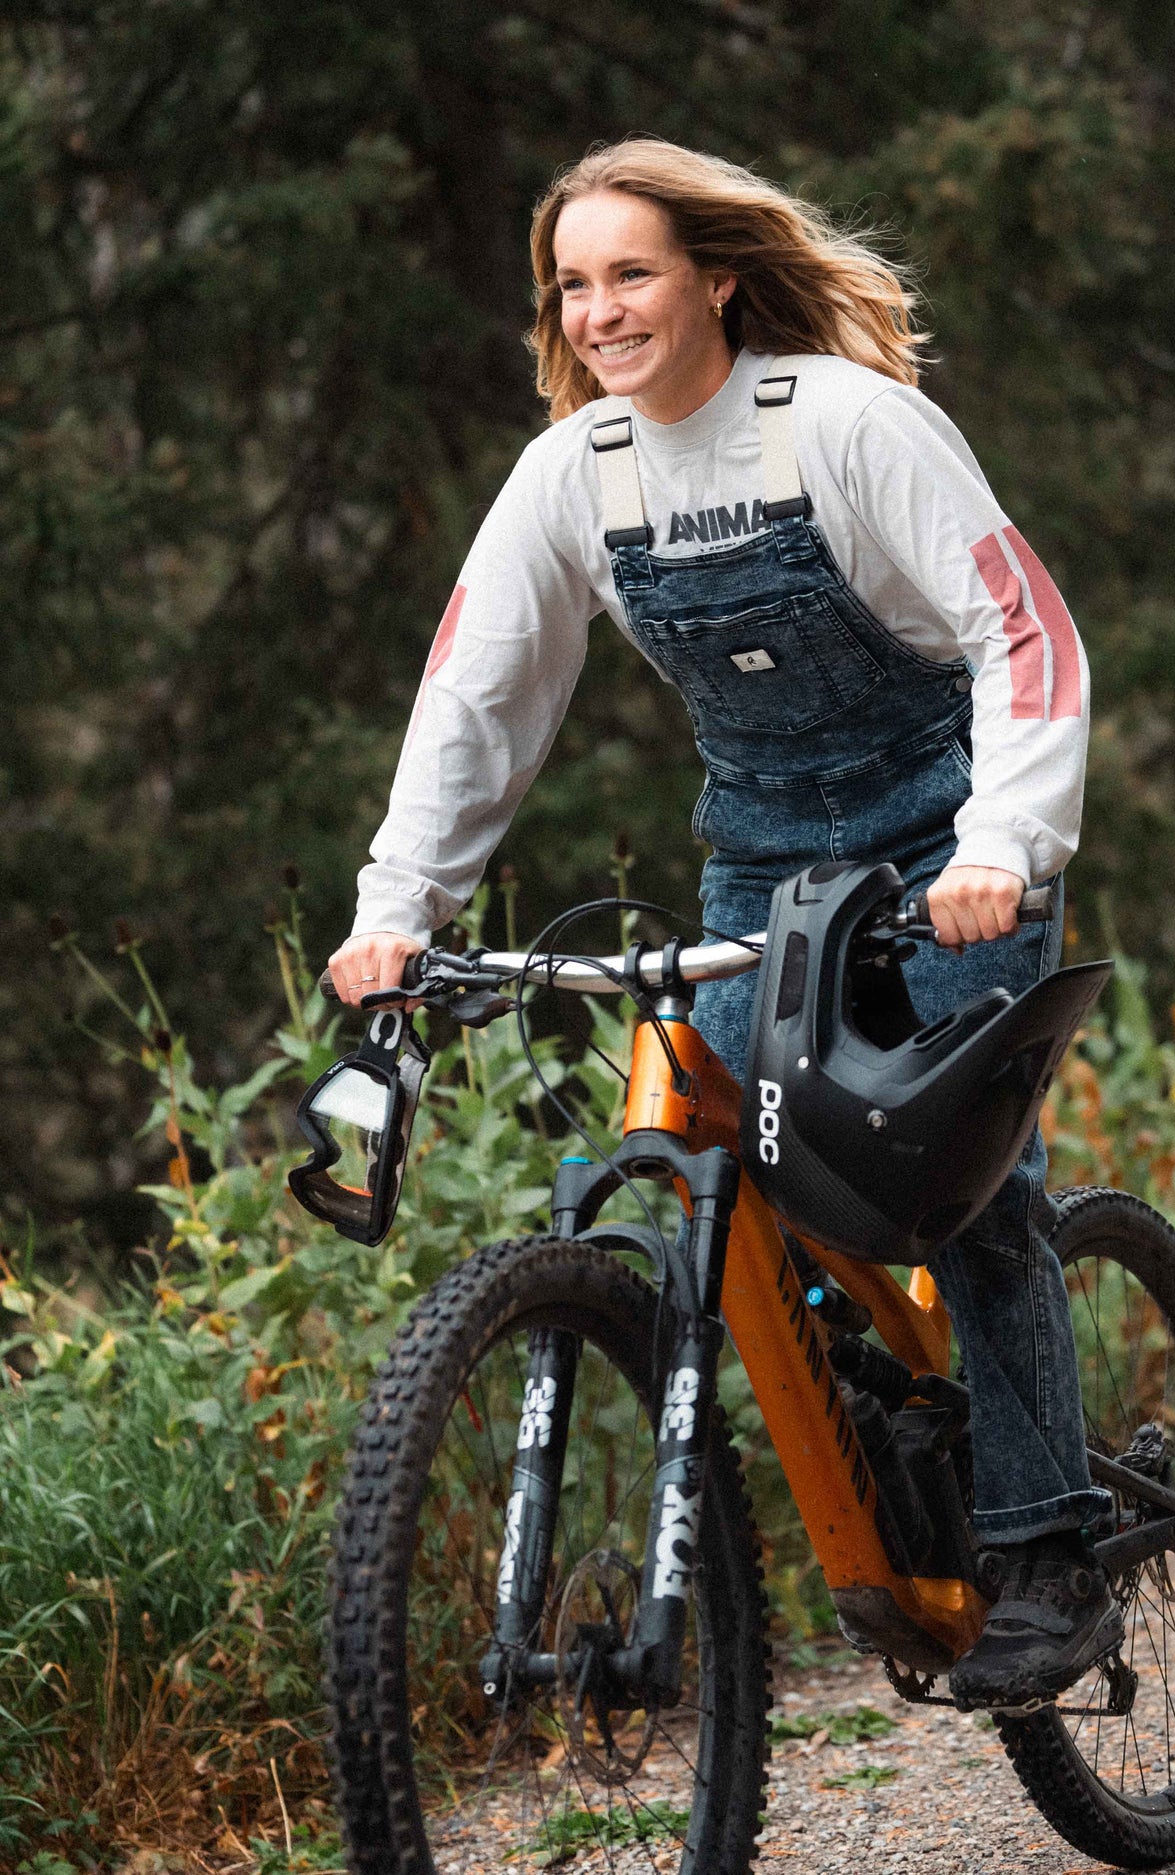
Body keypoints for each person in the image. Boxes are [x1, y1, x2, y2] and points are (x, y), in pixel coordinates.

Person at [327, 138, 1118, 1706]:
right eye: (575, 282)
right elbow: (473, 701)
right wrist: (398, 910)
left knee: (969, 1197)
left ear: (718, 279)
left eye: (632, 273)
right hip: (762, 870)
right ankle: (891, 1440)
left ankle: (1050, 1550)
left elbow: (1016, 627)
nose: (602, 309)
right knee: (753, 1153)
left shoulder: (846, 423)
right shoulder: (576, 471)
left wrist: (1006, 846)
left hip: (943, 844)